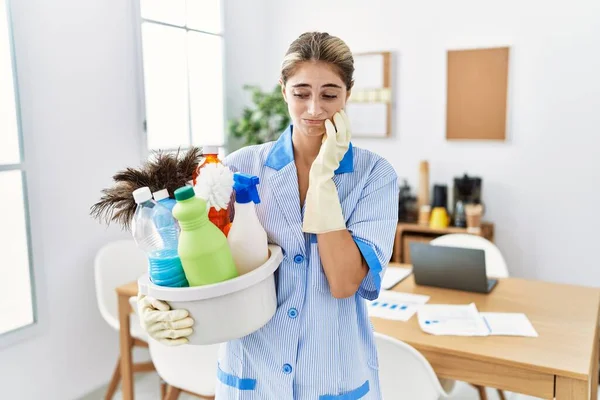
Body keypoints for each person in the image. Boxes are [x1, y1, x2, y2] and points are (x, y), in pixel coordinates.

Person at [137, 31, 399, 399]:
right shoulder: (240, 166)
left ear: (348, 95)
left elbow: (343, 283)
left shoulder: (375, 176)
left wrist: (323, 180)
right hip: (252, 376)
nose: (314, 109)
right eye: (301, 93)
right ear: (283, 91)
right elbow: (186, 251)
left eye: (329, 94)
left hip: (333, 377)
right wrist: (150, 302)